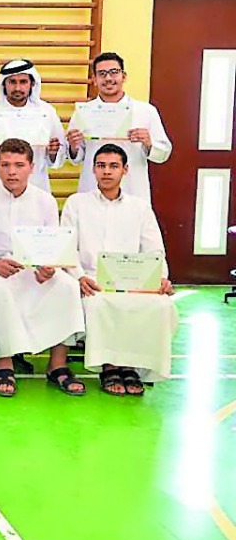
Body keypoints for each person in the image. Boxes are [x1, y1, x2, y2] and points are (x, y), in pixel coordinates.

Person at [0, 138, 86, 398]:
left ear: (32, 167)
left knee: (66, 286)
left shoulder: (45, 201)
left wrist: (48, 268)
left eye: (19, 165)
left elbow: (53, 244)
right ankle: (4, 362)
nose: (12, 171)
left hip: (32, 267)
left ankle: (58, 365)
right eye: (5, 164)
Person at [62, 144, 176, 396]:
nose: (107, 172)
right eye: (101, 165)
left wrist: (161, 279)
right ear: (93, 169)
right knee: (101, 303)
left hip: (134, 279)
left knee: (161, 305)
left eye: (114, 166)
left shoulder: (140, 207)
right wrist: (79, 277)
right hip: (92, 279)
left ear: (125, 170)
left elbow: (154, 250)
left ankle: (134, 365)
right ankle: (110, 366)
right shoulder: (76, 203)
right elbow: (67, 248)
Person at [66, 52, 172, 202]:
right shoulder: (83, 112)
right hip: (93, 187)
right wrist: (73, 146)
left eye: (114, 72)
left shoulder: (145, 111)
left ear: (124, 76)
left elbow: (164, 153)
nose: (108, 78)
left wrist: (148, 143)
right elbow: (76, 157)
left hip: (132, 188)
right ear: (94, 80)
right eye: (102, 74)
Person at [0, 59, 67, 192]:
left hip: (36, 189)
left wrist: (53, 152)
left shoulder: (47, 113)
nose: (17, 88)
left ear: (32, 84)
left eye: (23, 82)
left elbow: (57, 158)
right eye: (12, 82)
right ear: (4, 84)